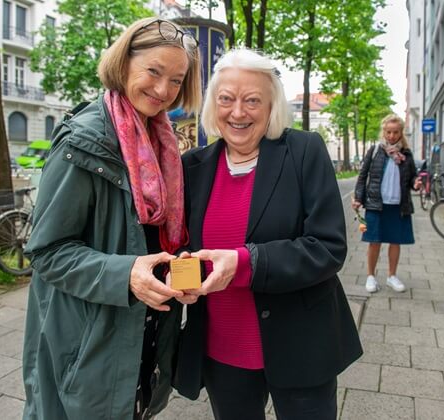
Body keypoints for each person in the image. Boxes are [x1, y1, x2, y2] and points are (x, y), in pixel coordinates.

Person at [21, 18, 202, 419]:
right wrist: (127, 275)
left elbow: (151, 239)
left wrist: (183, 272)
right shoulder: (83, 142)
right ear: (124, 63)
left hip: (144, 334)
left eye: (176, 80)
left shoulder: (161, 140)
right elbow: (47, 252)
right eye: (154, 71)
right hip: (90, 344)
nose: (163, 90)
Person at [172, 49, 362, 420]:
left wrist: (244, 263)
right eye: (226, 99)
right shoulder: (192, 166)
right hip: (222, 348)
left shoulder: (304, 150)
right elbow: (185, 247)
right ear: (213, 105)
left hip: (301, 343)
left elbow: (327, 247)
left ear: (272, 105)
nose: (238, 112)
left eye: (252, 100)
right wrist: (182, 274)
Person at [352, 114, 421, 293]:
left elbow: (412, 176)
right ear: (384, 131)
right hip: (376, 204)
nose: (391, 136)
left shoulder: (406, 154)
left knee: (395, 241)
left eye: (395, 132)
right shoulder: (375, 151)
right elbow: (363, 176)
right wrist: (358, 197)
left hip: (398, 205)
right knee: (374, 242)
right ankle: (371, 277)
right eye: (388, 132)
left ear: (401, 132)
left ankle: (392, 276)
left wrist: (416, 182)